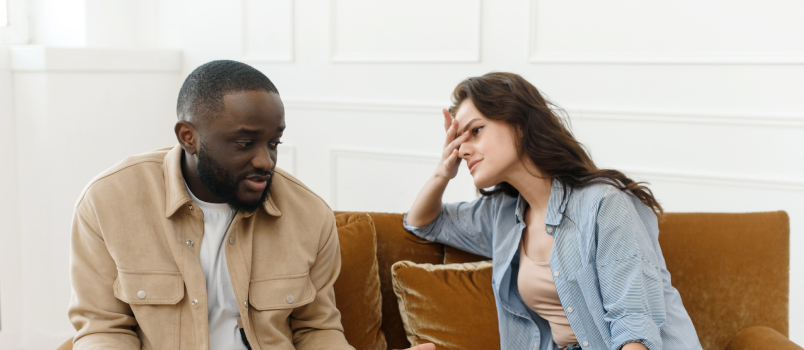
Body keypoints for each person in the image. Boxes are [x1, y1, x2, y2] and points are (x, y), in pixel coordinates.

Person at [68, 60, 433, 350]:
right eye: (245, 143)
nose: (265, 161)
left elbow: (317, 331)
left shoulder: (309, 215)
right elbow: (103, 329)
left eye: (273, 143)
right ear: (189, 137)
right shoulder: (108, 202)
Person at [404, 72, 702, 350]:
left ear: (519, 123)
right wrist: (443, 172)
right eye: (458, 140)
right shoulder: (504, 215)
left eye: (475, 131)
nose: (462, 150)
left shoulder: (603, 204)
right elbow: (424, 223)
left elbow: (633, 328)